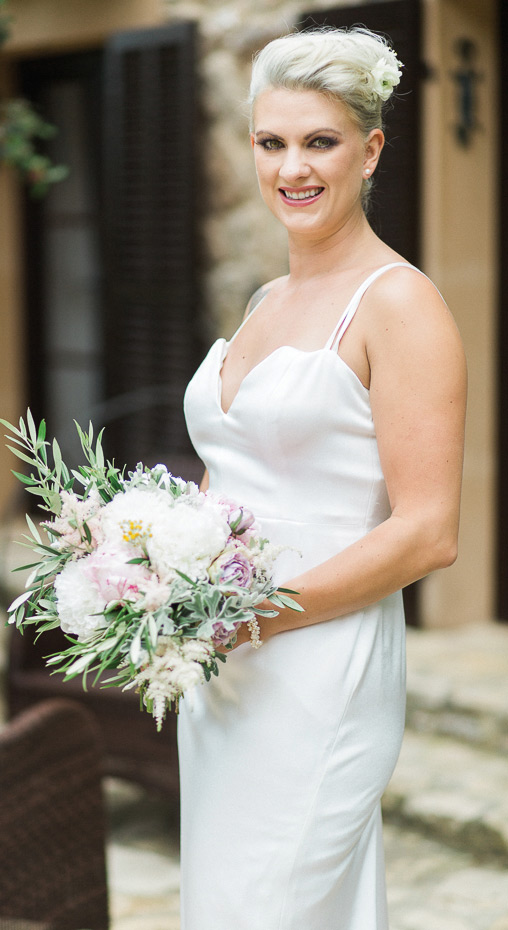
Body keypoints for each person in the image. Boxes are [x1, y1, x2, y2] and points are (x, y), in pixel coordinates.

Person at [179, 26, 466, 930]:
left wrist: (254, 613)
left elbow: (428, 531)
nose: (291, 168)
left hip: (318, 670)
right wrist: (152, 560)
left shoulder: (400, 303)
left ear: (371, 149)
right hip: (224, 674)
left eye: (320, 142)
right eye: (271, 142)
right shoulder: (267, 300)